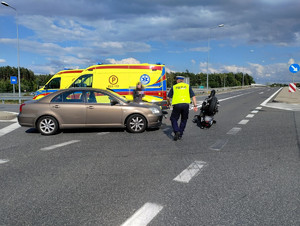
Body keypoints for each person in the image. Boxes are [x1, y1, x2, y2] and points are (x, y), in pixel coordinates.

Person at [167, 76, 197, 141]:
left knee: (173, 118)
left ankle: (176, 131)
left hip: (177, 105)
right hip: (186, 105)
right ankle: (180, 134)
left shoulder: (174, 87)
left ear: (177, 80)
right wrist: (195, 105)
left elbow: (168, 97)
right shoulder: (187, 86)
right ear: (182, 80)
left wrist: (168, 103)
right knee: (184, 119)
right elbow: (193, 96)